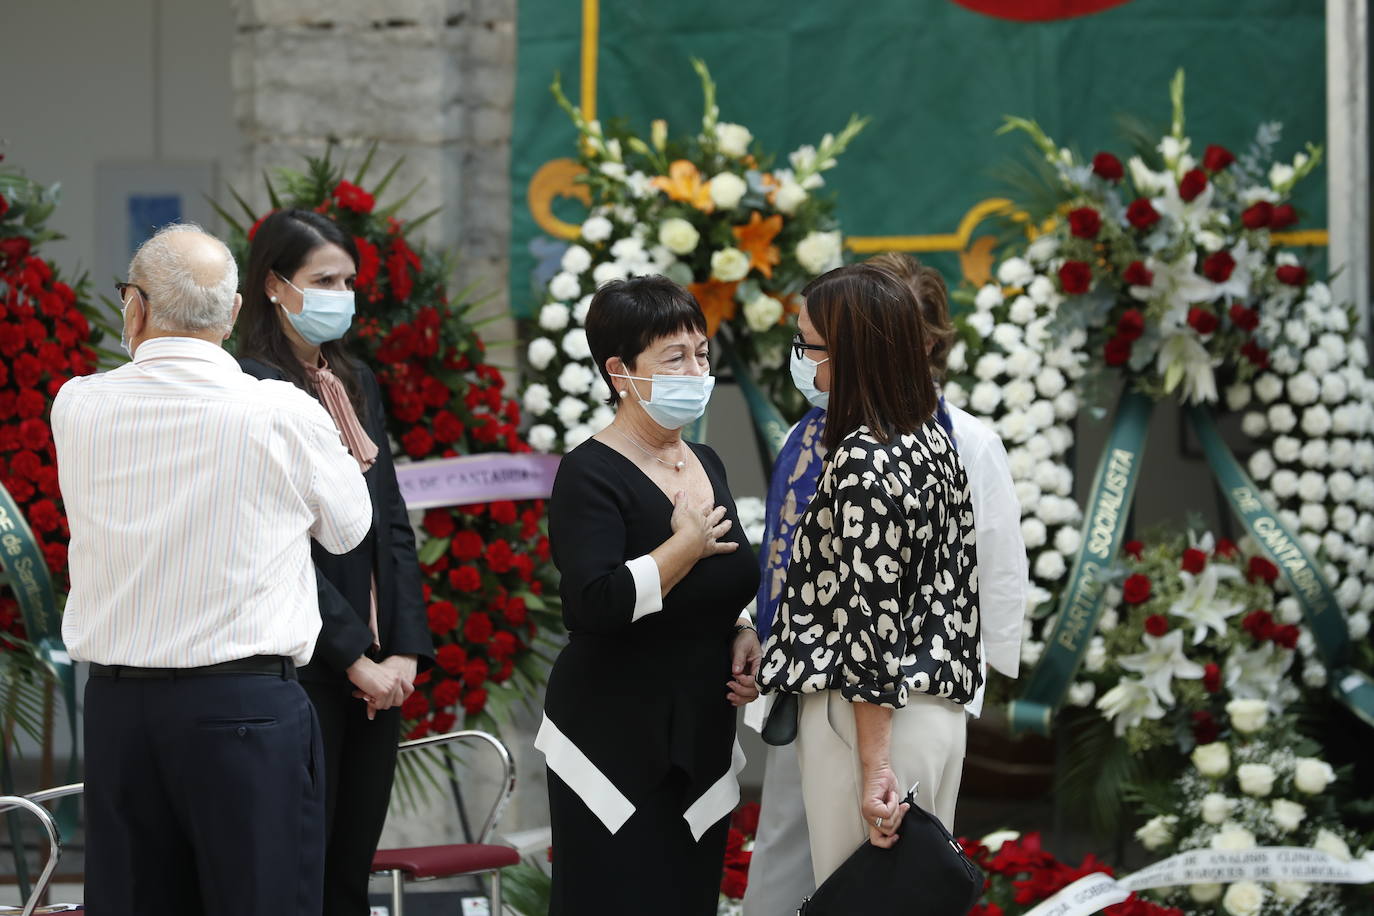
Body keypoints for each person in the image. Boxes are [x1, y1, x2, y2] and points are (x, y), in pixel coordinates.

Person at [54, 223, 372, 915]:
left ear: (132, 309)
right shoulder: (282, 411)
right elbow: (349, 533)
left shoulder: (77, 403)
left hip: (119, 709)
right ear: (231, 315)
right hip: (244, 708)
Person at [744, 255, 1026, 914]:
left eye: (811, 347)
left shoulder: (865, 459)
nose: (804, 363)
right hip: (931, 707)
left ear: (853, 354)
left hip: (868, 717)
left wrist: (875, 768)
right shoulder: (927, 442)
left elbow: (869, 630)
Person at [534, 276, 761, 915]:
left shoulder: (707, 462)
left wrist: (742, 631)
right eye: (674, 357)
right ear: (619, 371)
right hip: (612, 740)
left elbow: (729, 577)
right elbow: (594, 603)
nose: (696, 370)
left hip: (699, 731)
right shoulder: (589, 472)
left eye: (701, 354)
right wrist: (678, 549)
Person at [235, 208, 435, 915]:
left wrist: (405, 650)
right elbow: (277, 545)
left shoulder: (351, 379)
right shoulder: (252, 390)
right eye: (324, 280)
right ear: (272, 284)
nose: (341, 295)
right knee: (301, 871)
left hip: (381, 668)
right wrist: (354, 657)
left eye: (348, 280)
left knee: (351, 870)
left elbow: (392, 525)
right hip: (306, 663)